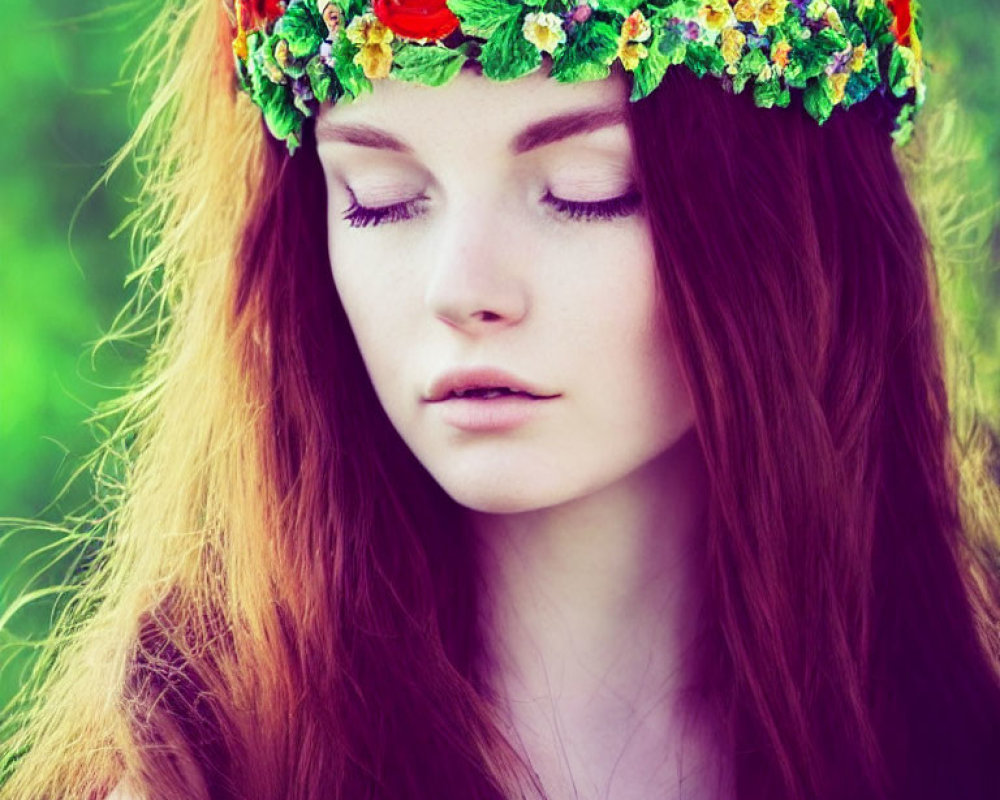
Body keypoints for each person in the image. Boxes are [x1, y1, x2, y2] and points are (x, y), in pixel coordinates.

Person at [1, 0, 999, 798]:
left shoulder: (955, 750)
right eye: (379, 198)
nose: (459, 285)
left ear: (797, 217)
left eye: (584, 186)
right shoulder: (182, 778)